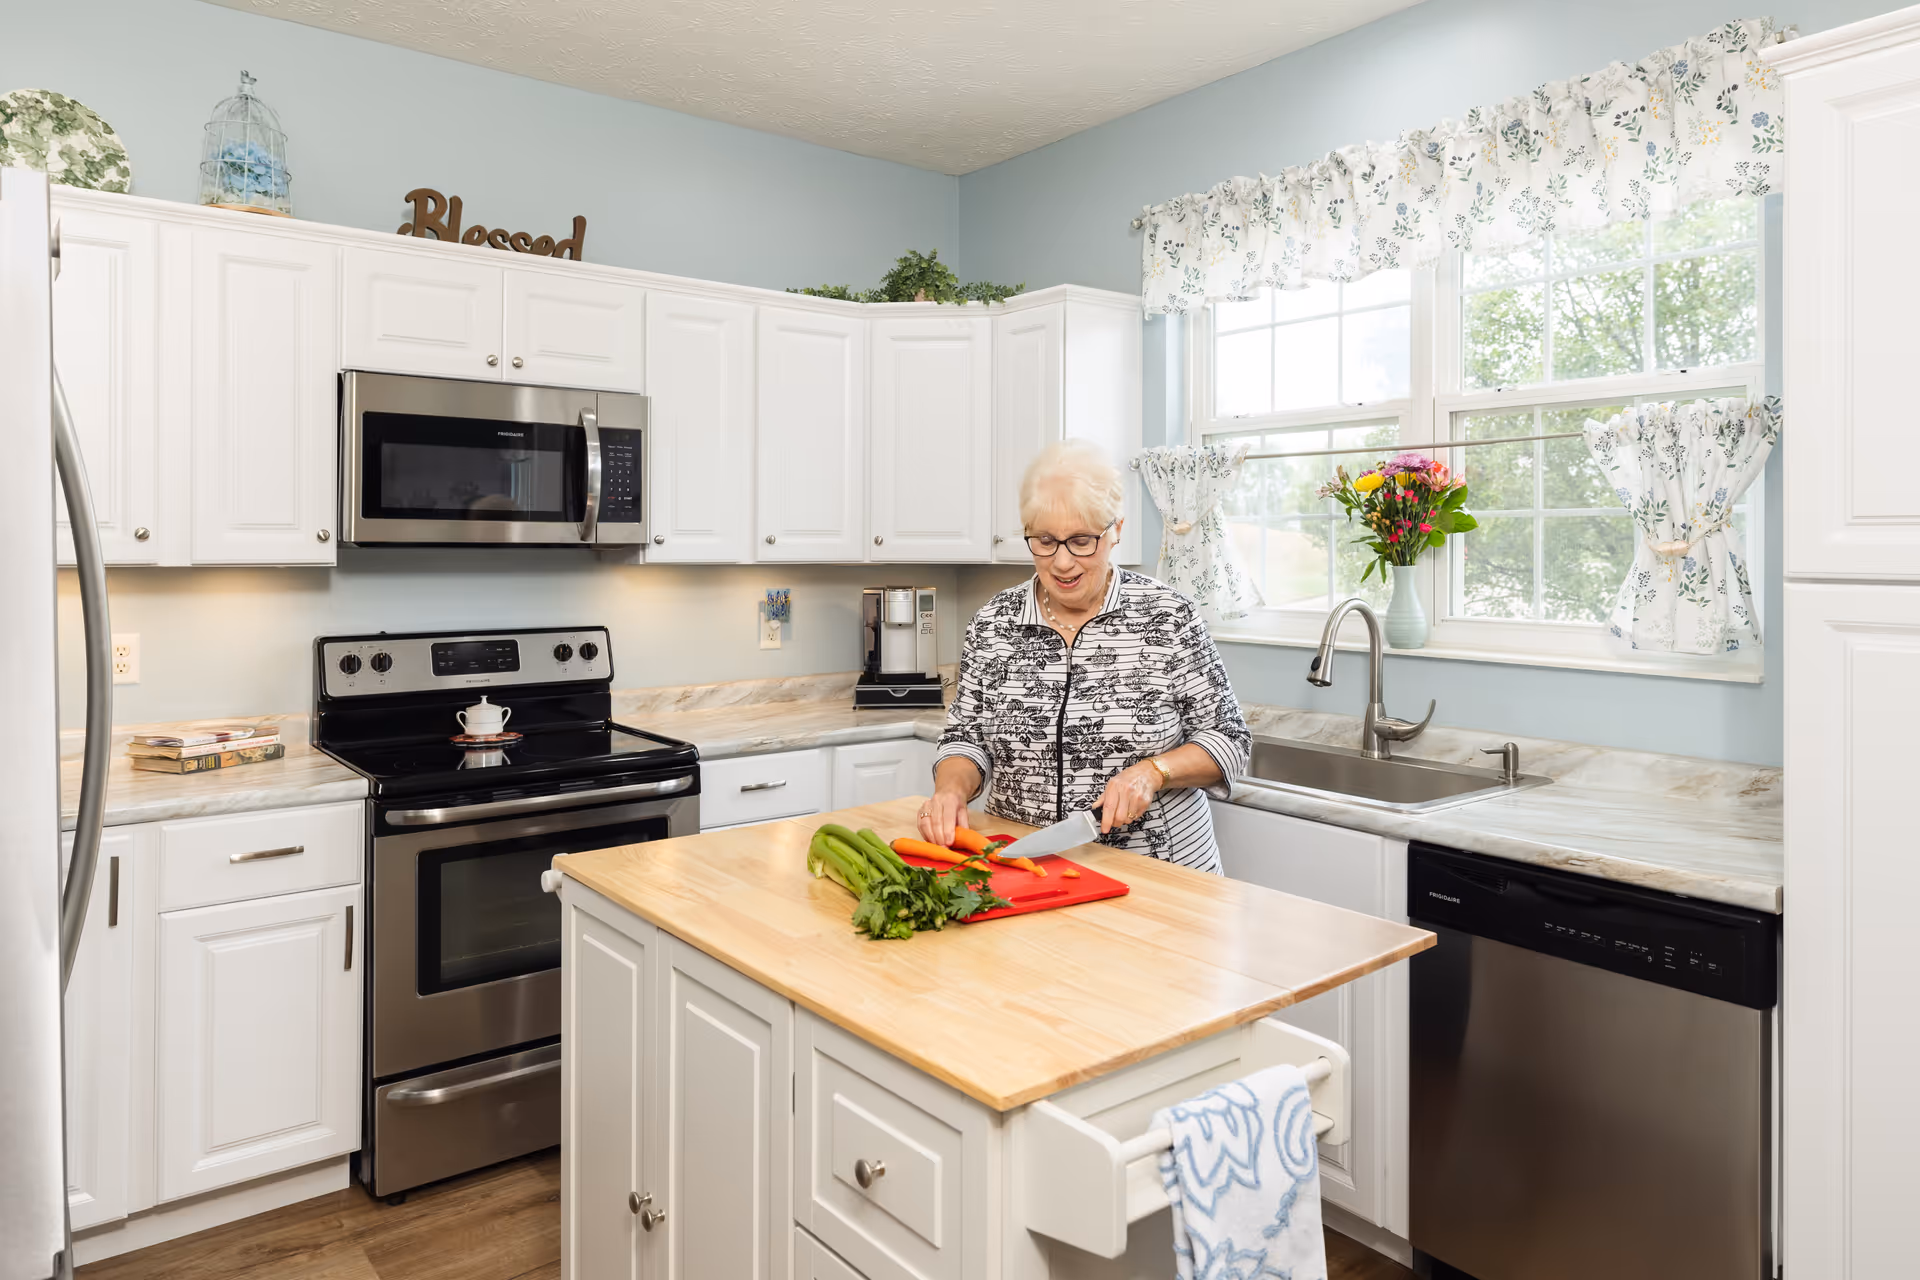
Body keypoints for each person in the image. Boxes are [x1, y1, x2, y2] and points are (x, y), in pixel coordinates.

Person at [920, 439, 1251, 873]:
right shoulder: (994, 622)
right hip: (1027, 865)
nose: (1061, 562)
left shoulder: (1168, 617)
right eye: (1044, 540)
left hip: (1160, 875)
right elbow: (967, 738)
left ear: (1116, 530)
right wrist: (951, 789)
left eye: (1081, 541)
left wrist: (1153, 772)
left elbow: (1229, 740)